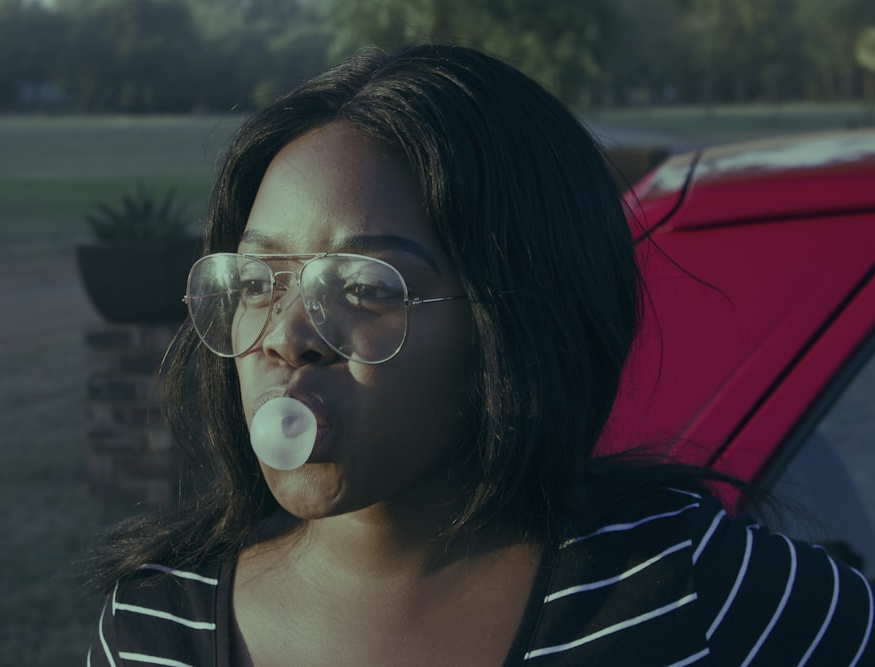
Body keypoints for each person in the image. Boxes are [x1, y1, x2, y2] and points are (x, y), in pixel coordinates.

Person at [87, 45, 873, 666]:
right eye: (259, 281)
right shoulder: (156, 626)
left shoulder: (684, 587)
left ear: (511, 321)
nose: (289, 335)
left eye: (363, 286)